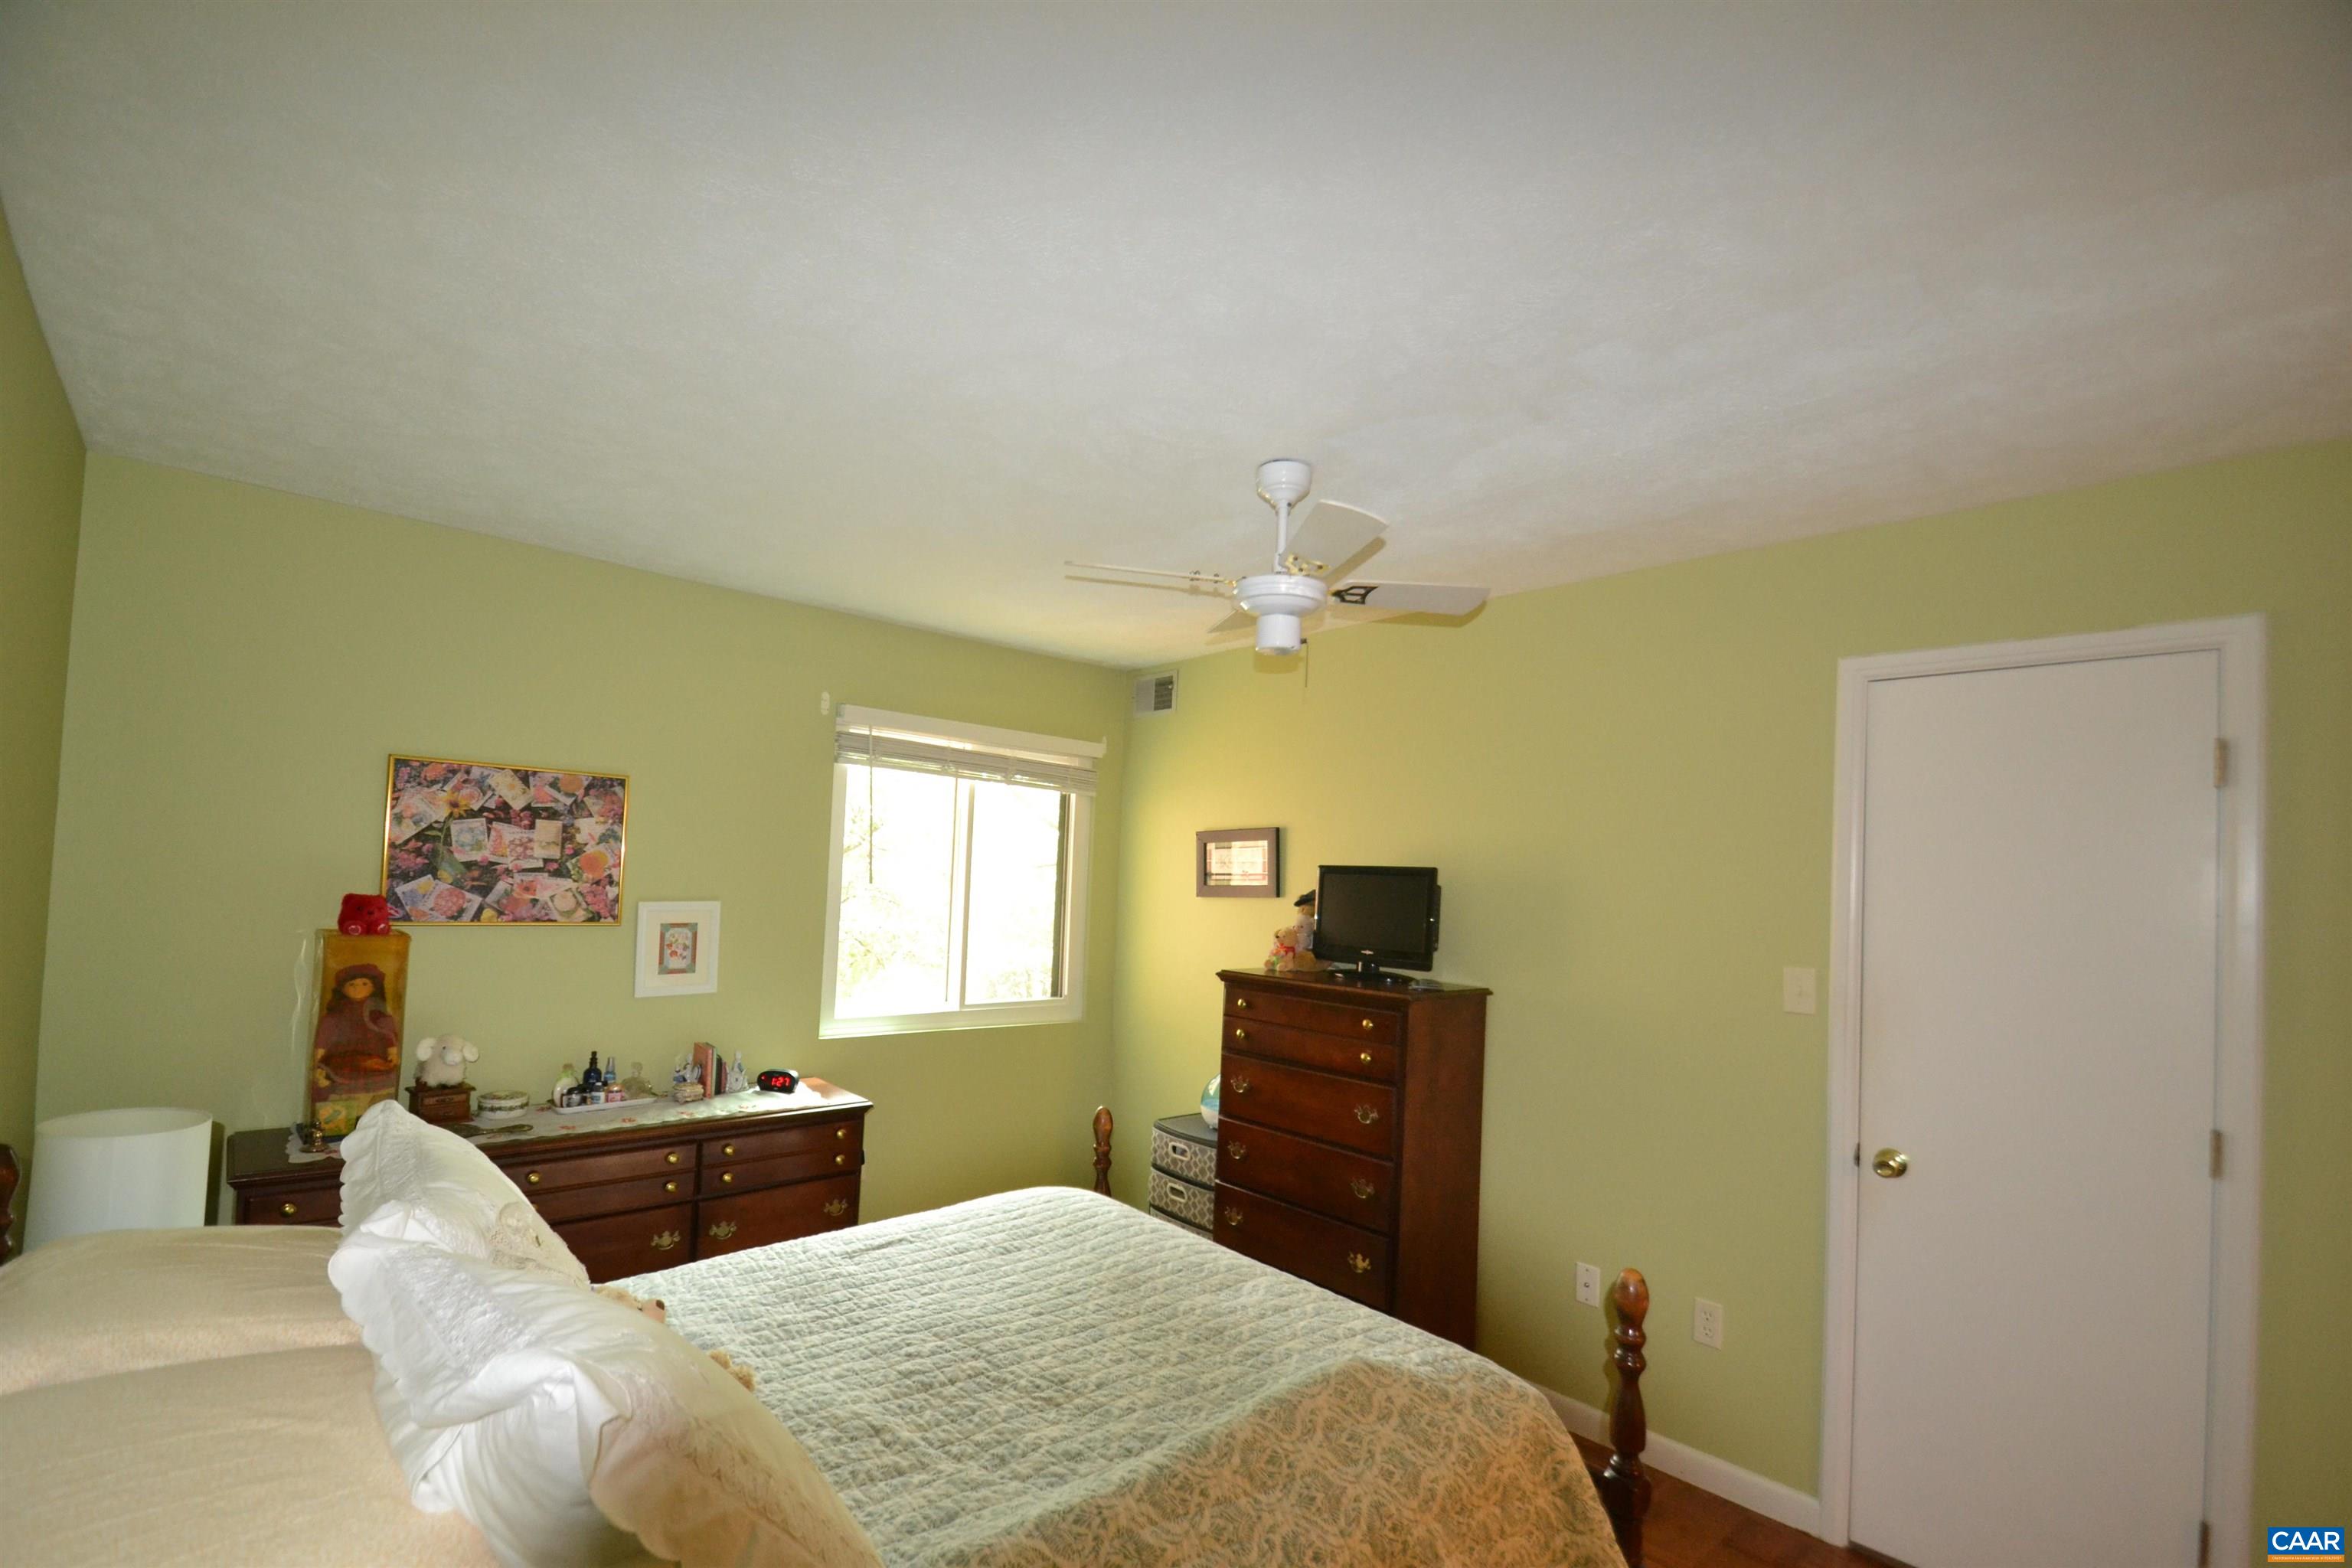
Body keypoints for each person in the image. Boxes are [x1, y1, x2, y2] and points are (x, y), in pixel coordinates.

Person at [312, 962, 402, 1134]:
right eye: (352, 984)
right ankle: (340, 1128)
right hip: (342, 1062)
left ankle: (375, 1126)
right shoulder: (335, 1016)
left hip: (375, 1062)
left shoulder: (378, 1014)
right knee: (342, 1095)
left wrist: (393, 1053)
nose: (358, 988)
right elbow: (323, 1039)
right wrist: (318, 1060)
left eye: (364, 984)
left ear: (374, 987)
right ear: (342, 989)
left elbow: (389, 1036)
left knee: (379, 1097)